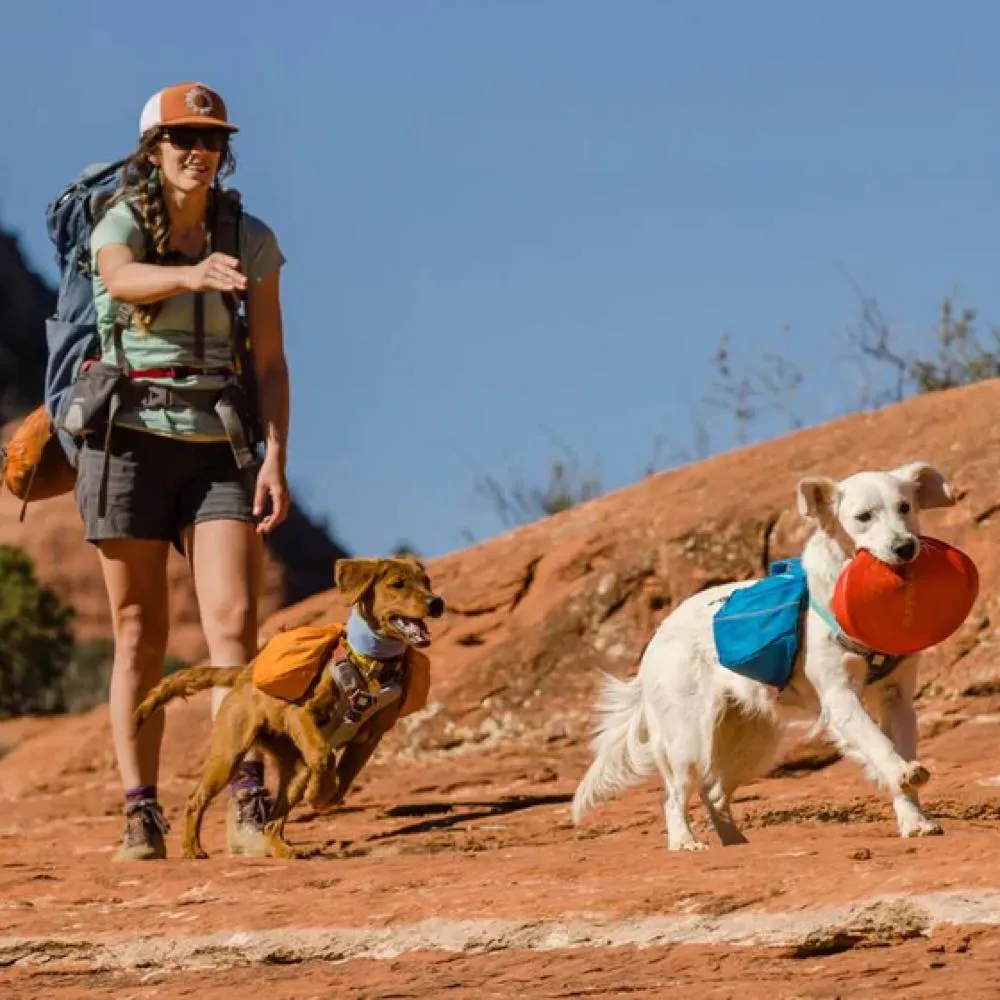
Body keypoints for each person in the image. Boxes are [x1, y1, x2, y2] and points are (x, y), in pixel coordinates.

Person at [78, 82, 291, 860]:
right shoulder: (123, 221)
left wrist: (277, 457)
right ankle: (141, 811)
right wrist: (191, 276)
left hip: (217, 445)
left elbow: (269, 360)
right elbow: (120, 278)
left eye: (211, 139)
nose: (198, 152)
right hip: (126, 438)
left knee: (233, 626)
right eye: (181, 139)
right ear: (153, 150)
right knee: (140, 631)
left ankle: (245, 798)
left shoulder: (249, 235)